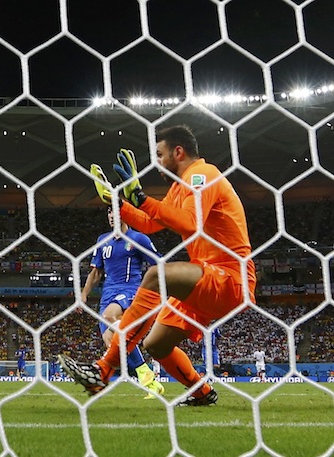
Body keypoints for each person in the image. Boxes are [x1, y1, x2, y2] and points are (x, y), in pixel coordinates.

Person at [60, 125, 256, 406]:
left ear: (179, 152)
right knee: (156, 344)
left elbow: (190, 222)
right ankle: (202, 392)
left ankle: (102, 370)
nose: (157, 162)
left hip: (231, 277)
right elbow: (151, 223)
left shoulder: (203, 175)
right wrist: (118, 203)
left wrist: (141, 198)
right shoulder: (180, 187)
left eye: (160, 155)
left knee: (155, 275)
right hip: (204, 278)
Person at [80, 206, 165, 399]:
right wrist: (83, 294)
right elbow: (96, 272)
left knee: (110, 316)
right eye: (109, 212)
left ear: (125, 214)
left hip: (129, 290)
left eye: (115, 212)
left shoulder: (138, 239)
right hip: (107, 294)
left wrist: (151, 287)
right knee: (112, 342)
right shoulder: (103, 240)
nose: (111, 216)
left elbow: (158, 263)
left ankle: (109, 374)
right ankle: (151, 382)